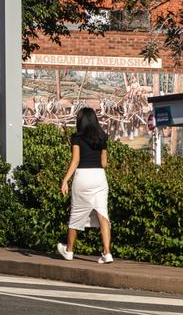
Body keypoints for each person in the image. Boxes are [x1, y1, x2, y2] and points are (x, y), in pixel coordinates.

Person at [58, 107, 112, 263]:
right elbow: (104, 163)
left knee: (76, 214)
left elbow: (75, 161)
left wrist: (65, 179)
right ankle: (107, 253)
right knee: (103, 214)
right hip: (99, 177)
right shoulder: (102, 137)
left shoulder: (76, 138)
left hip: (83, 176)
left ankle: (69, 250)